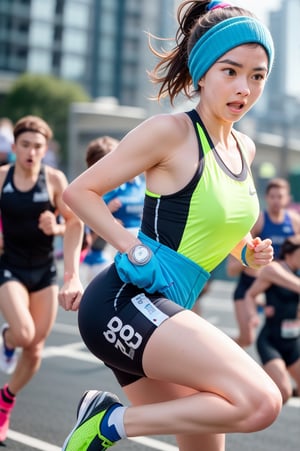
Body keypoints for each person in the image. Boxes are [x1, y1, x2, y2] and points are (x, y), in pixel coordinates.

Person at [60, 2, 282, 451]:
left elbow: (215, 226)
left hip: (168, 311)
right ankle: (108, 423)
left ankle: (109, 422)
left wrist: (246, 252)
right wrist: (129, 246)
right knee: (261, 403)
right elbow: (79, 192)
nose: (244, 88)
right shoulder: (171, 132)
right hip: (125, 301)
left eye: (257, 76)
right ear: (202, 73)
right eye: (231, 71)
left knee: (204, 447)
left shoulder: (246, 148)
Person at [0, 115, 83, 443]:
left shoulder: (54, 180)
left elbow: (75, 222)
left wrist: (58, 228)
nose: (31, 152)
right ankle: (8, 338)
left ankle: (5, 400)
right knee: (23, 333)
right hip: (10, 268)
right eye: (25, 145)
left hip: (44, 270)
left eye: (37, 146)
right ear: (15, 147)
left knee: (34, 350)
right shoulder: (2, 177)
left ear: (45, 149)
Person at [227, 177, 300, 347]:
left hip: (275, 289)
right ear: (266, 198)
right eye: (272, 196)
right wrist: (252, 258)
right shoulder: (258, 221)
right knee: (247, 339)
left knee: (281, 339)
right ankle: (213, 355)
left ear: (288, 199)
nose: (276, 201)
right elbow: (231, 268)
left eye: (280, 196)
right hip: (250, 286)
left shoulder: (294, 222)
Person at [82, 136, 145, 285]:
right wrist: (107, 221)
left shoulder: (139, 184)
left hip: (136, 253)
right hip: (102, 258)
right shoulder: (95, 191)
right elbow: (85, 237)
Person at [245, 236, 300, 404]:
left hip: (293, 341)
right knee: (284, 391)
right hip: (271, 340)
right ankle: (249, 393)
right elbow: (250, 295)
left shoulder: (297, 271)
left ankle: (262, 384)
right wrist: (254, 314)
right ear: (289, 253)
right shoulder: (274, 270)